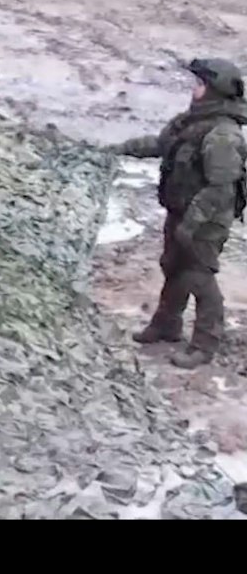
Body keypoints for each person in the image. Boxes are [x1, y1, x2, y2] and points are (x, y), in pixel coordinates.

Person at [114, 58, 247, 370]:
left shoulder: (223, 136)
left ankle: (205, 344)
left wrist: (192, 223)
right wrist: (121, 148)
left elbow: (220, 189)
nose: (193, 89)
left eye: (200, 84)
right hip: (181, 209)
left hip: (207, 218)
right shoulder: (191, 121)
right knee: (173, 266)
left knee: (199, 276)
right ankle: (166, 324)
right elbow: (162, 145)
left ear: (214, 91)